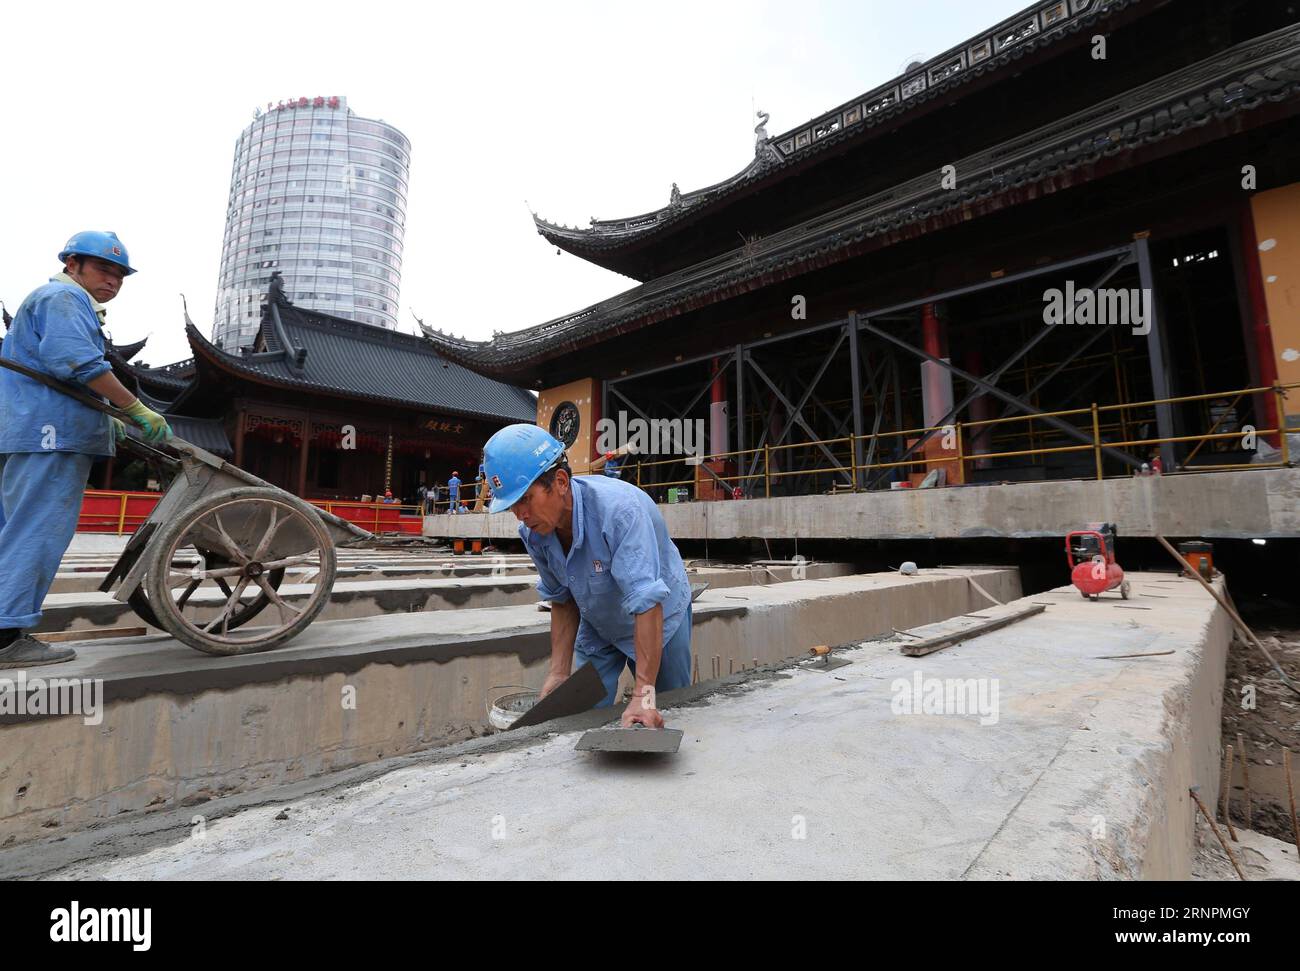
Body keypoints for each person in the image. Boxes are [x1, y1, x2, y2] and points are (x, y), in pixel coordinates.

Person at [0, 232, 172, 667]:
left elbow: (61, 372)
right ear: (73, 263)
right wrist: (134, 407)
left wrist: (106, 416)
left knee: (15, 528)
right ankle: (5, 637)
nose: (112, 280)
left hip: (30, 430)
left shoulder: (56, 300)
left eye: (119, 275)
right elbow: (77, 363)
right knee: (38, 530)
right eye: (103, 269)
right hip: (51, 435)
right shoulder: (63, 299)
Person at [483, 424, 692, 728]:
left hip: (659, 614)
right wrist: (558, 671)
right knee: (582, 717)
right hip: (599, 620)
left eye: (526, 499)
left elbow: (646, 601)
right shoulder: (534, 533)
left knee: (670, 710)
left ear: (561, 482)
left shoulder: (619, 512)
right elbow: (561, 598)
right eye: (513, 505)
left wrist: (643, 694)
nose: (520, 514)